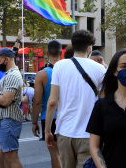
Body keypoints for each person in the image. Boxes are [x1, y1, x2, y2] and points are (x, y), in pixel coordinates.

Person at [45, 30, 106, 168]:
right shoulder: (100, 69)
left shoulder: (60, 65)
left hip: (64, 133)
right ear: (89, 47)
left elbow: (52, 102)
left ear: (73, 45)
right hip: (89, 134)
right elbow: (104, 104)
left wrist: (47, 130)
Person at [32, 40, 62, 168]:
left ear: (47, 52)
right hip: (67, 116)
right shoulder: (67, 71)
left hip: (49, 117)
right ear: (61, 52)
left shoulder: (41, 74)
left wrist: (34, 122)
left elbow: (37, 101)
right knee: (67, 154)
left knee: (55, 154)